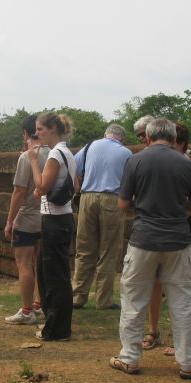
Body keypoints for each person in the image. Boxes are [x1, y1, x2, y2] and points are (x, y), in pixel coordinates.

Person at [109, 117, 191, 378]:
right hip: (177, 241)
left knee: (133, 300)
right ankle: (188, 363)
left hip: (144, 239)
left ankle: (129, 357)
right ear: (174, 139)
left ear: (148, 138)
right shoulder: (187, 163)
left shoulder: (136, 161)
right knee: (182, 302)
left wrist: (143, 212)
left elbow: (123, 204)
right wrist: (175, 214)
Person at [142, 122, 191, 354]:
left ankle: (180, 341)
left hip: (184, 232)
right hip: (164, 232)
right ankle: (153, 330)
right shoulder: (159, 162)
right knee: (156, 283)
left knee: (179, 288)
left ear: (179, 143)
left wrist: (170, 218)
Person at [71, 124, 132, 310]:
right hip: (112, 199)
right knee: (109, 250)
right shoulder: (127, 153)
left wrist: (78, 186)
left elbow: (73, 167)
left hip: (87, 197)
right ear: (121, 138)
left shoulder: (90, 146)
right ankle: (103, 300)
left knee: (84, 249)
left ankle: (77, 296)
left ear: (106, 134)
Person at [28, 111, 77, 341]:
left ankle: (58, 329)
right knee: (50, 272)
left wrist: (32, 163)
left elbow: (42, 186)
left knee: (56, 276)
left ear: (52, 129)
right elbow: (75, 184)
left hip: (54, 220)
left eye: (40, 129)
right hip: (63, 217)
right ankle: (54, 324)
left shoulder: (55, 155)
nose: (37, 133)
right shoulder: (67, 153)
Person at [3, 115, 48, 325]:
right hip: (47, 216)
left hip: (28, 217)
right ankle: (39, 304)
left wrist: (10, 221)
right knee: (40, 262)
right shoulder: (52, 154)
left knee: (24, 264)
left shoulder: (26, 157)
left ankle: (27, 310)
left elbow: (19, 192)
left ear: (26, 134)